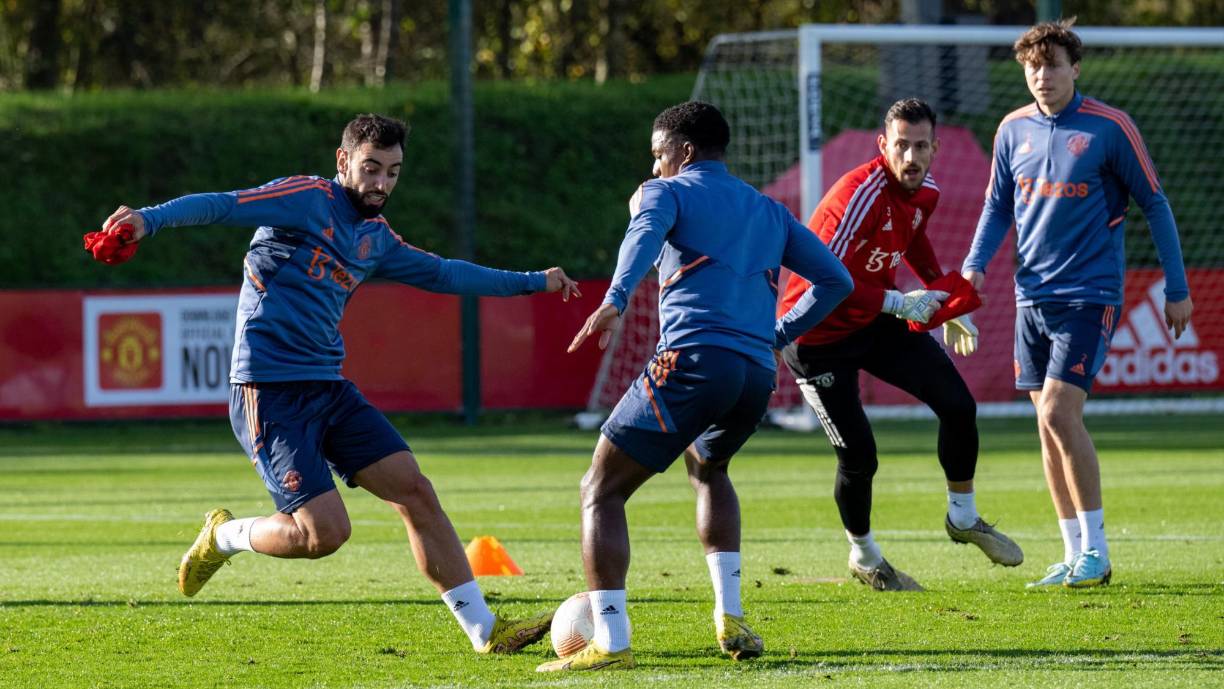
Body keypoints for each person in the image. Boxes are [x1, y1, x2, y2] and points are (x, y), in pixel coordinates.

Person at [94, 114, 581, 653]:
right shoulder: (307, 198)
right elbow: (224, 204)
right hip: (268, 389)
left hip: (329, 386)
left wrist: (533, 282)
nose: (381, 184)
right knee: (323, 536)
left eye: (393, 173)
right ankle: (226, 536)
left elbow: (444, 274)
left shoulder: (375, 239)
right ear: (343, 161)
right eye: (371, 169)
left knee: (414, 490)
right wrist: (148, 219)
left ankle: (485, 632)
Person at [536, 101, 854, 672]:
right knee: (709, 467)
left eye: (658, 155)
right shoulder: (769, 210)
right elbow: (837, 280)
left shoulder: (667, 191)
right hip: (756, 373)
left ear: (682, 152)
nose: (654, 167)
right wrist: (778, 333)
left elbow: (642, 235)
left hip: (691, 361)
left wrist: (614, 300)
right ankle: (729, 616)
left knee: (600, 489)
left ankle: (610, 641)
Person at [963, 20, 1192, 588]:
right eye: (1033, 67)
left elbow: (1155, 203)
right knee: (1046, 429)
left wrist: (1177, 286)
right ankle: (1071, 554)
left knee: (1059, 414)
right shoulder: (1012, 129)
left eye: (1053, 65)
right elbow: (997, 208)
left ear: (1075, 69)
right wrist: (973, 265)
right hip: (1029, 298)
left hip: (1090, 295)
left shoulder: (1109, 128)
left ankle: (1099, 552)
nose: (1043, 76)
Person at [777, 98, 1023, 593]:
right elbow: (829, 279)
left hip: (873, 319)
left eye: (920, 147)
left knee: (957, 404)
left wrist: (942, 297)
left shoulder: (924, 190)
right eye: (901, 146)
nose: (911, 157)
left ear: (935, 148)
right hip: (816, 334)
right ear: (883, 146)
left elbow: (912, 236)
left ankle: (964, 517)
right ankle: (866, 557)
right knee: (860, 458)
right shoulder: (860, 195)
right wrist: (899, 302)